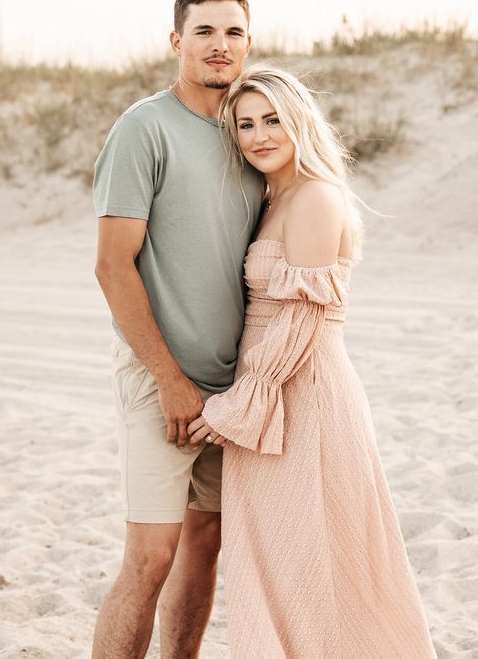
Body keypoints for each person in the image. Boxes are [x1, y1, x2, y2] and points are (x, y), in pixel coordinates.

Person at [187, 65, 439, 658]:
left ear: (300, 120)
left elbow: (301, 319)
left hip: (302, 396)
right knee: (280, 553)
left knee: (312, 553)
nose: (259, 135)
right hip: (269, 396)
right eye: (245, 124)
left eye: (272, 120)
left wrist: (239, 405)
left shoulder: (317, 197)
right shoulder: (276, 196)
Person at [91, 0, 263, 659]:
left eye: (233, 33)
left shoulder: (253, 134)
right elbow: (112, 265)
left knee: (205, 543)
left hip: (231, 389)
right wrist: (167, 376)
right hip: (161, 380)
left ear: (249, 42)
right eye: (205, 32)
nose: (220, 47)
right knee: (151, 556)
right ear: (176, 41)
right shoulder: (144, 127)